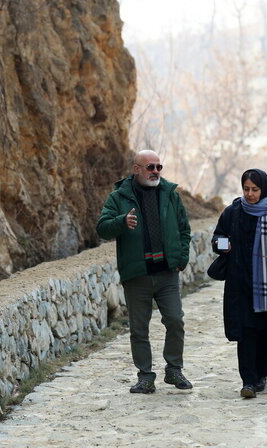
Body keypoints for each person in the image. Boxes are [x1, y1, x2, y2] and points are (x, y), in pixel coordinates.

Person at [96, 150, 193, 394]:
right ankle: (145, 377)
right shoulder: (119, 197)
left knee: (175, 320)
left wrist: (181, 258)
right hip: (137, 274)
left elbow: (184, 228)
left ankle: (174, 369)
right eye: (151, 167)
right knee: (140, 329)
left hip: (167, 273)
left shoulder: (170, 194)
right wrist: (121, 222)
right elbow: (102, 229)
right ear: (136, 169)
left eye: (159, 167)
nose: (156, 172)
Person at [211, 169, 267, 398]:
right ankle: (248, 381)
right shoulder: (232, 213)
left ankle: (261, 375)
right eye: (246, 189)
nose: (250, 194)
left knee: (265, 331)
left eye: (255, 189)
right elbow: (217, 238)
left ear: (264, 190)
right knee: (246, 332)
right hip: (241, 284)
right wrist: (223, 245)